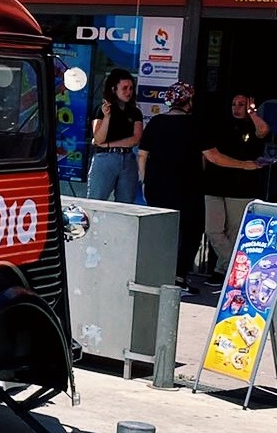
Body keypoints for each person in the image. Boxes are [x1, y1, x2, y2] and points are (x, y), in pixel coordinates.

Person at [137, 82, 207, 291]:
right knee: (191, 231)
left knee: (161, 231)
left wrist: (144, 181)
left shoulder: (156, 122)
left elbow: (142, 154)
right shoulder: (195, 124)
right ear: (188, 101)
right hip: (188, 187)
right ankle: (178, 277)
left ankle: (156, 275)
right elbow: (211, 155)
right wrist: (246, 165)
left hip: (157, 185)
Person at [202, 92, 272, 271]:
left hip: (242, 186)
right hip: (215, 183)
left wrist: (252, 114)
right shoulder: (220, 125)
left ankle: (223, 271)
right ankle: (237, 264)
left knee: (234, 231)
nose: (237, 108)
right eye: (234, 104)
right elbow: (210, 154)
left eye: (241, 104)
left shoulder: (252, 126)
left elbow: (263, 131)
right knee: (213, 230)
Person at [88, 68, 143, 203]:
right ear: (114, 89)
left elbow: (135, 139)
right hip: (105, 158)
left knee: (126, 202)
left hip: (127, 157)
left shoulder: (135, 112)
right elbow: (98, 138)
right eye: (124, 88)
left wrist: (108, 144)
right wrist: (107, 118)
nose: (128, 92)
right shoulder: (102, 109)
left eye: (131, 88)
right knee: (97, 200)